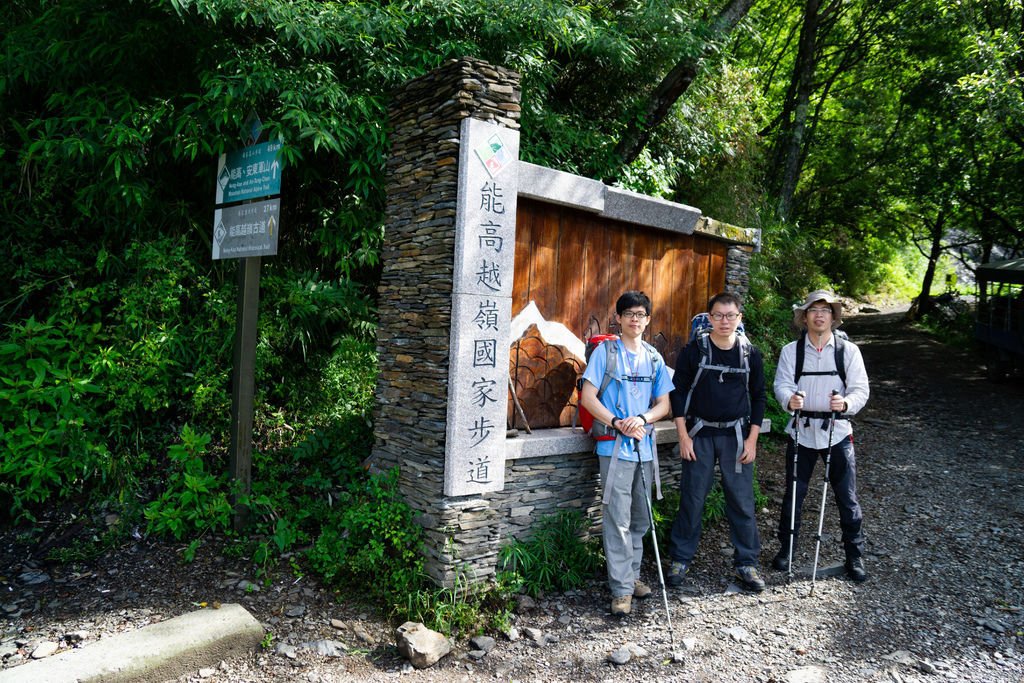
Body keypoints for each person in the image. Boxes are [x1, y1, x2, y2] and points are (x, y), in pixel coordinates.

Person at [579, 290, 673, 617]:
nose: (635, 319)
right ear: (618, 318)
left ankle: (631, 576)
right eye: (629, 313)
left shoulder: (654, 357)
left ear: (648, 319)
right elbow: (589, 398)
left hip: (644, 447)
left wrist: (643, 419)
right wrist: (618, 422)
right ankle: (621, 589)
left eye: (641, 314)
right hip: (614, 447)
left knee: (640, 517)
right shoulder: (606, 353)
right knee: (617, 517)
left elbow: (665, 404)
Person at [666, 292, 768, 592]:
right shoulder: (694, 351)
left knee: (741, 500)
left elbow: (759, 396)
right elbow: (679, 392)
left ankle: (747, 563)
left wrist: (752, 440)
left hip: (736, 436)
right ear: (709, 318)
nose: (725, 321)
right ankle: (680, 559)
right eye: (719, 316)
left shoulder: (750, 354)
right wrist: (682, 436)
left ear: (740, 319)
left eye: (731, 316)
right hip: (699, 435)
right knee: (693, 498)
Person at [771, 290, 870, 582]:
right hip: (801, 432)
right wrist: (790, 400)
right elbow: (781, 384)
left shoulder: (847, 351)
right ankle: (786, 549)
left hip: (837, 432)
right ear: (804, 317)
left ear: (833, 317)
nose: (819, 315)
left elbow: (860, 389)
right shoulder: (792, 351)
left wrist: (847, 404)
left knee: (846, 497)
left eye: (825, 310)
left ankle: (855, 555)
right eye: (813, 310)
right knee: (794, 494)